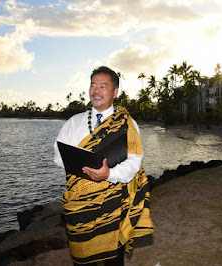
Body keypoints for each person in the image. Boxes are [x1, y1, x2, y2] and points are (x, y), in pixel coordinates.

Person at [54, 66, 153, 265]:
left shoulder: (127, 124)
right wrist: (81, 166)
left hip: (113, 203)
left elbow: (134, 163)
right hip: (79, 205)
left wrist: (109, 174)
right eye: (93, 85)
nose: (96, 91)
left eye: (103, 86)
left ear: (115, 92)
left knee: (113, 260)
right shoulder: (74, 122)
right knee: (82, 259)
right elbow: (58, 155)